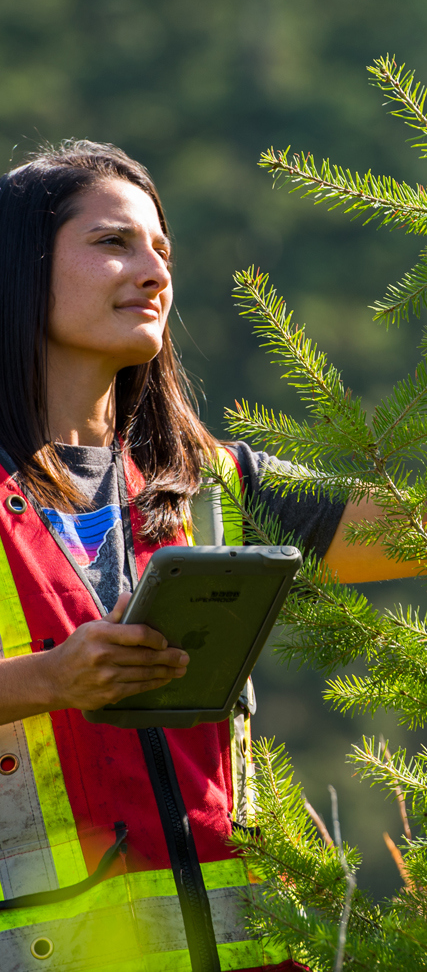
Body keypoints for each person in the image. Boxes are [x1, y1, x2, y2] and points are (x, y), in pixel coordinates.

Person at [0, 141, 415, 972]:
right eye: (112, 242)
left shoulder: (202, 482)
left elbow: (406, 530)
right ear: (19, 266)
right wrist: (50, 680)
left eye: (162, 249)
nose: (153, 271)